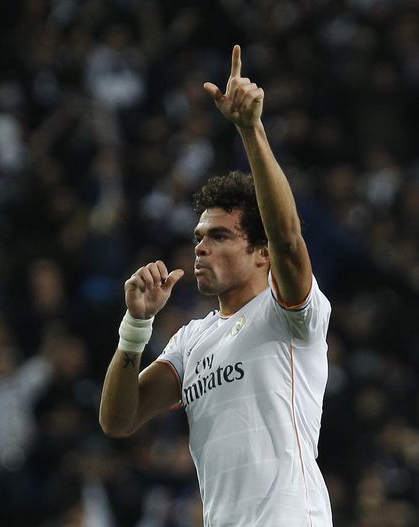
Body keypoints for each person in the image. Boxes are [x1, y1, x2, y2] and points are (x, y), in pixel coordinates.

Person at [99, 45, 333, 526]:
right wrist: (136, 325)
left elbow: (288, 237)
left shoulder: (286, 312)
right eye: (199, 238)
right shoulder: (190, 340)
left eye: (220, 236)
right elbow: (119, 421)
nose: (201, 248)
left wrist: (251, 130)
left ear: (261, 252)